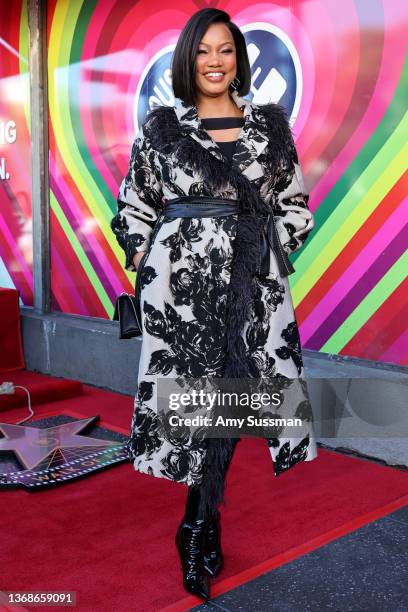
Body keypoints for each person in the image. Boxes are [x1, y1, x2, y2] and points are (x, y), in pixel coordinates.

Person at [111, 7, 318, 602]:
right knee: (193, 406)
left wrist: (268, 258)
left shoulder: (270, 131)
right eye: (203, 51)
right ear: (187, 60)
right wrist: (146, 265)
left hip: (253, 284)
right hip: (180, 288)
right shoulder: (161, 131)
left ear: (240, 60)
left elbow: (293, 204)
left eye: (226, 50)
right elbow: (136, 205)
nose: (214, 62)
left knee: (229, 406)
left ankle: (198, 521)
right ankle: (199, 523)